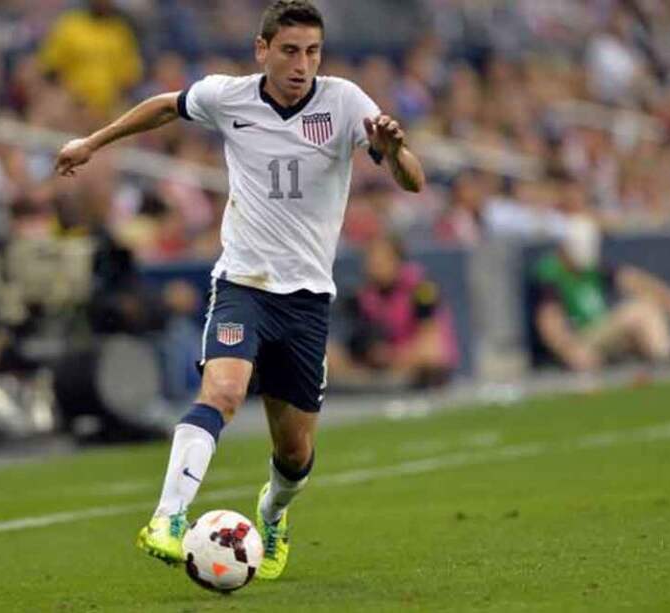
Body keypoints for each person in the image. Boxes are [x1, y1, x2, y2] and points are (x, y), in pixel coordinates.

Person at [54, 0, 424, 580]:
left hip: (307, 299)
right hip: (243, 284)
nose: (302, 64)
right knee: (223, 392)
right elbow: (165, 106)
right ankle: (167, 519)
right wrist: (92, 143)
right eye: (290, 51)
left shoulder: (346, 102)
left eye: (312, 52)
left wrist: (395, 149)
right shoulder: (229, 97)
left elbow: (413, 181)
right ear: (262, 50)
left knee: (294, 454)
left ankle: (272, 514)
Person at [533, 215, 670, 372]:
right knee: (639, 312)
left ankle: (663, 357)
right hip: (580, 338)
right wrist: (570, 350)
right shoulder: (550, 272)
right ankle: (666, 358)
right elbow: (549, 319)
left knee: (646, 306)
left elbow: (635, 281)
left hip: (601, 332)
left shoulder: (593, 267)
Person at [332, 235, 458, 388]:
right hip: (377, 360)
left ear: (397, 261)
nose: (373, 265)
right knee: (328, 355)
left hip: (409, 355)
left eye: (380, 259)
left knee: (431, 353)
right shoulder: (363, 295)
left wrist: (393, 355)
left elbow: (429, 337)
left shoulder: (422, 288)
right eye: (370, 259)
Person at [39, 0, 144, 117]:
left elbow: (130, 75)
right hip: (72, 106)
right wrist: (67, 97)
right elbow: (50, 69)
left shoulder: (120, 31)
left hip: (108, 110)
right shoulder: (70, 26)